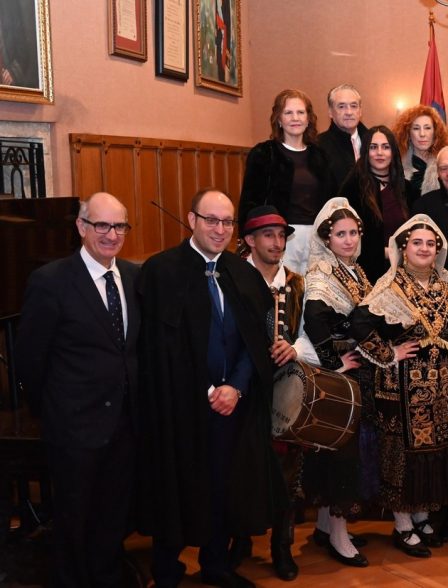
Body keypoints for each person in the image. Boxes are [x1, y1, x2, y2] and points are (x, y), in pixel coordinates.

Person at [138, 189, 278, 588]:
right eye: (211, 220)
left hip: (232, 405)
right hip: (180, 407)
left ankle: (216, 565)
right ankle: (166, 568)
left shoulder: (243, 273)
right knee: (176, 484)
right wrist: (204, 390)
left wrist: (235, 387)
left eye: (227, 222)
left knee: (224, 485)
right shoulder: (161, 271)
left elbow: (255, 342)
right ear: (191, 219)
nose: (220, 229)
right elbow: (156, 351)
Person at [14, 193, 139, 586]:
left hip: (125, 424)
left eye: (119, 226)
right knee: (73, 520)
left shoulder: (136, 278)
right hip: (73, 428)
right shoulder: (50, 281)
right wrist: (54, 412)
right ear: (81, 227)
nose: (111, 234)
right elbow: (30, 359)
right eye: (101, 225)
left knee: (113, 515)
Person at [348, 214, 448, 559]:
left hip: (443, 388)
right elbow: (359, 325)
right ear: (403, 248)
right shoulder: (388, 287)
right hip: (399, 388)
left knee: (433, 451)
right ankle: (402, 523)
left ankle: (421, 514)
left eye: (430, 244)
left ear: (438, 250)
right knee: (401, 454)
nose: (424, 248)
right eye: (416, 242)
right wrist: (388, 352)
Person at [231, 205, 311, 580]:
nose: (277, 243)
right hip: (242, 388)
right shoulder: (231, 277)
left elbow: (310, 330)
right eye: (268, 236)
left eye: (281, 236)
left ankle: (282, 546)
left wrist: (294, 347)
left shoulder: (297, 282)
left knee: (285, 470)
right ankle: (240, 539)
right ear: (249, 240)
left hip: (284, 387)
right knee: (241, 465)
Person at [300, 197, 377, 569]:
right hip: (338, 377)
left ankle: (324, 526)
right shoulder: (321, 273)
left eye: (353, 233)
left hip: (355, 371)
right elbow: (315, 319)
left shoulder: (355, 270)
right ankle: (340, 536)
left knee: (343, 446)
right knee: (340, 450)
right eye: (340, 234)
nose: (348, 240)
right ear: (327, 239)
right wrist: (335, 362)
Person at [240, 89, 340, 275]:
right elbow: (250, 201)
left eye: (300, 112)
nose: (295, 118)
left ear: (308, 118)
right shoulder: (263, 154)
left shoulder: (321, 156)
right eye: (288, 113)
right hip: (279, 237)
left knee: (313, 294)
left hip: (317, 237)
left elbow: (332, 201)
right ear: (278, 119)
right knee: (283, 291)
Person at [340, 125, 410, 283]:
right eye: (373, 147)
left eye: (385, 147)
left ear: (393, 152)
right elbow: (345, 235)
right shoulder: (353, 188)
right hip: (365, 274)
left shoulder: (406, 188)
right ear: (365, 152)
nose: (379, 153)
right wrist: (385, 252)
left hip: (403, 273)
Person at [393, 104, 448, 202]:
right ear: (408, 134)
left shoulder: (446, 164)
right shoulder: (397, 166)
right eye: (416, 128)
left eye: (427, 128)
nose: (422, 134)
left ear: (435, 132)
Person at [318, 84, 371, 187]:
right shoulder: (318, 146)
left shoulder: (374, 141)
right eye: (341, 106)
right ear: (330, 112)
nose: (349, 112)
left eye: (354, 106)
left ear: (360, 111)